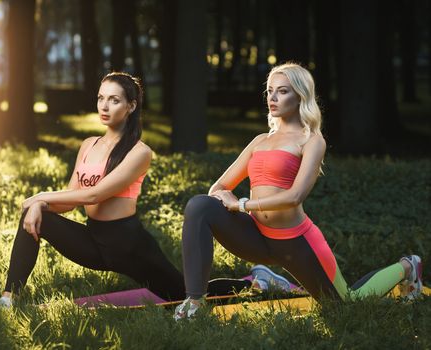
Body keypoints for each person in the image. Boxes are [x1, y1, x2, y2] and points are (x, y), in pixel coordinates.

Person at [174, 62, 423, 320]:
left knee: (347, 305)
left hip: (297, 242)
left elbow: (295, 196)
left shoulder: (312, 141)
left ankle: (407, 266)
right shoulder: (260, 141)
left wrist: (242, 205)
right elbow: (219, 187)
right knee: (200, 205)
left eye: (282, 91)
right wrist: (228, 200)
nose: (272, 97)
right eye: (269, 91)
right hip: (256, 236)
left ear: (301, 95)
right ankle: (194, 303)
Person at [0, 72, 253, 308]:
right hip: (93, 242)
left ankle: (255, 282)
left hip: (130, 246)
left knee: (187, 296)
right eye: (101, 98)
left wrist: (40, 197)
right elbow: (71, 200)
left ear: (131, 106)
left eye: (114, 100)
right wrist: (40, 206)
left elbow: (95, 194)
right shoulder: (88, 145)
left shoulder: (139, 152)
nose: (104, 106)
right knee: (33, 218)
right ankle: (8, 298)